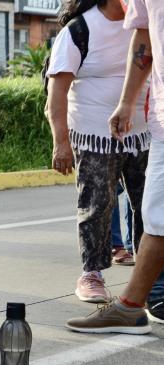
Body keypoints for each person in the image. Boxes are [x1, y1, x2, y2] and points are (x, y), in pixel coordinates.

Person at [67, 0, 164, 332]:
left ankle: (133, 304)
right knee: (151, 215)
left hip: (148, 130)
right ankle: (130, 302)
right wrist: (125, 102)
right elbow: (144, 39)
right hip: (151, 124)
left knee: (154, 215)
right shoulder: (81, 28)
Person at [47, 0, 149, 304]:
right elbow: (57, 92)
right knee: (97, 204)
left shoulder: (143, 25)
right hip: (95, 136)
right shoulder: (79, 30)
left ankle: (148, 275)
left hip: (143, 135)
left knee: (149, 205)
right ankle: (92, 274)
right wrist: (61, 142)